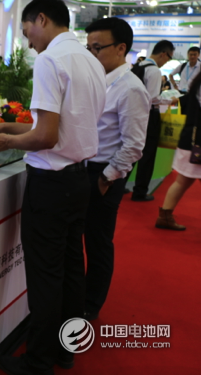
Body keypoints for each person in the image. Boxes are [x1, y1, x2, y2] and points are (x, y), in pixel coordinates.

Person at [0, 0, 106, 375]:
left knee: (46, 276)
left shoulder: (50, 60)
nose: (28, 41)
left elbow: (46, 137)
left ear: (42, 19)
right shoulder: (90, 61)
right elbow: (60, 127)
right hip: (78, 179)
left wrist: (7, 141)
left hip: (50, 186)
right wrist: (6, 124)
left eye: (26, 31)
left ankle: (37, 363)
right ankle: (66, 350)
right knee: (71, 268)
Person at [82, 18, 151, 321]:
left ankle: (90, 305)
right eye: (88, 48)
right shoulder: (97, 79)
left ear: (121, 48)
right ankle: (76, 295)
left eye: (97, 48)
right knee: (78, 237)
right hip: (83, 167)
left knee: (97, 242)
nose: (91, 54)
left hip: (104, 173)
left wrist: (105, 178)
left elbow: (134, 145)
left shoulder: (131, 88)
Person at [128, 41, 179, 201]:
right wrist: (169, 101)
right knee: (147, 155)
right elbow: (153, 99)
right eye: (169, 57)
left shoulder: (137, 67)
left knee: (129, 151)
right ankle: (140, 191)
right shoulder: (154, 71)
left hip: (132, 115)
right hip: (149, 117)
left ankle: (118, 185)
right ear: (163, 54)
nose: (167, 61)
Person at [156, 71, 201, 230]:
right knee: (182, 181)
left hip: (189, 140)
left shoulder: (196, 84)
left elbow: (182, 101)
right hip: (196, 143)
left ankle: (165, 216)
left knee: (182, 181)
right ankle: (165, 217)